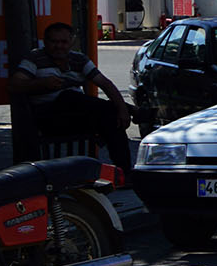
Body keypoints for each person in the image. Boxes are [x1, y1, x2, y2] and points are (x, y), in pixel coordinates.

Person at [9, 22, 134, 172]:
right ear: (46, 42)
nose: (59, 46)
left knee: (112, 118)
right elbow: (15, 85)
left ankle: (124, 172)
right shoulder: (35, 58)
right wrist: (41, 84)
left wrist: (122, 111)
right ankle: (136, 111)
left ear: (71, 42)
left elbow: (105, 83)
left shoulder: (78, 59)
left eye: (63, 42)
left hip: (77, 115)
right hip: (48, 117)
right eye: (54, 42)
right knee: (68, 96)